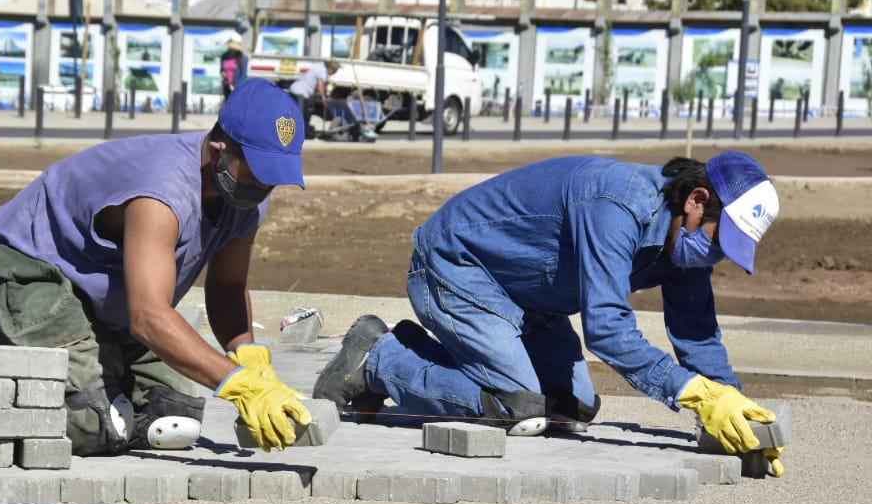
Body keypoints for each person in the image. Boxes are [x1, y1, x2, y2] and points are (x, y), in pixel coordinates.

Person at [0, 78, 312, 454]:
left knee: (172, 415)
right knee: (88, 422)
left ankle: (84, 364)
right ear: (218, 151)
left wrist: (248, 358)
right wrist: (238, 386)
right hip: (33, 271)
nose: (265, 186)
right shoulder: (163, 192)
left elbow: (227, 288)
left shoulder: (247, 197)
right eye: (258, 171)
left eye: (275, 176)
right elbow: (149, 318)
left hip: (102, 295)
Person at [314, 152, 786, 475]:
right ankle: (377, 357)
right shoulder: (617, 205)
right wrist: (694, 395)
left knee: (571, 408)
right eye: (720, 241)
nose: (715, 257)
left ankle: (424, 352)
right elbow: (606, 328)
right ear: (696, 200)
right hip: (457, 269)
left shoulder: (683, 239)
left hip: (527, 298)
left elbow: (697, 331)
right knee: (517, 408)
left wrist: (736, 413)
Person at [288, 59, 357, 139]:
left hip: (293, 90)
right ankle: (303, 133)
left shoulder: (318, 66)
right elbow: (321, 84)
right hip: (300, 93)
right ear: (331, 69)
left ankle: (299, 132)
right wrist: (323, 97)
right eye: (335, 71)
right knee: (303, 115)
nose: (334, 74)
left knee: (300, 114)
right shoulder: (324, 71)